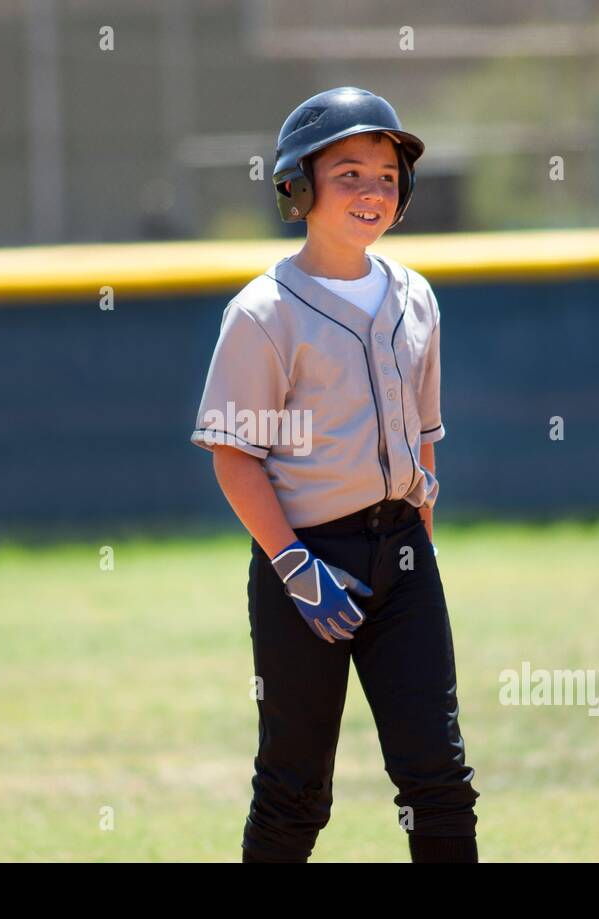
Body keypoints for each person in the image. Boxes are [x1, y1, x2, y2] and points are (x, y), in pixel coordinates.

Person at [189, 87, 479, 863]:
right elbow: (235, 456)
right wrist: (292, 563)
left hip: (403, 561)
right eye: (348, 172)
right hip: (304, 560)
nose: (372, 191)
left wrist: (420, 538)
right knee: (294, 790)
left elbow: (423, 439)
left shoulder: (416, 296)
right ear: (299, 187)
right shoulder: (265, 313)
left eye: (387, 176)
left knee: (440, 780)